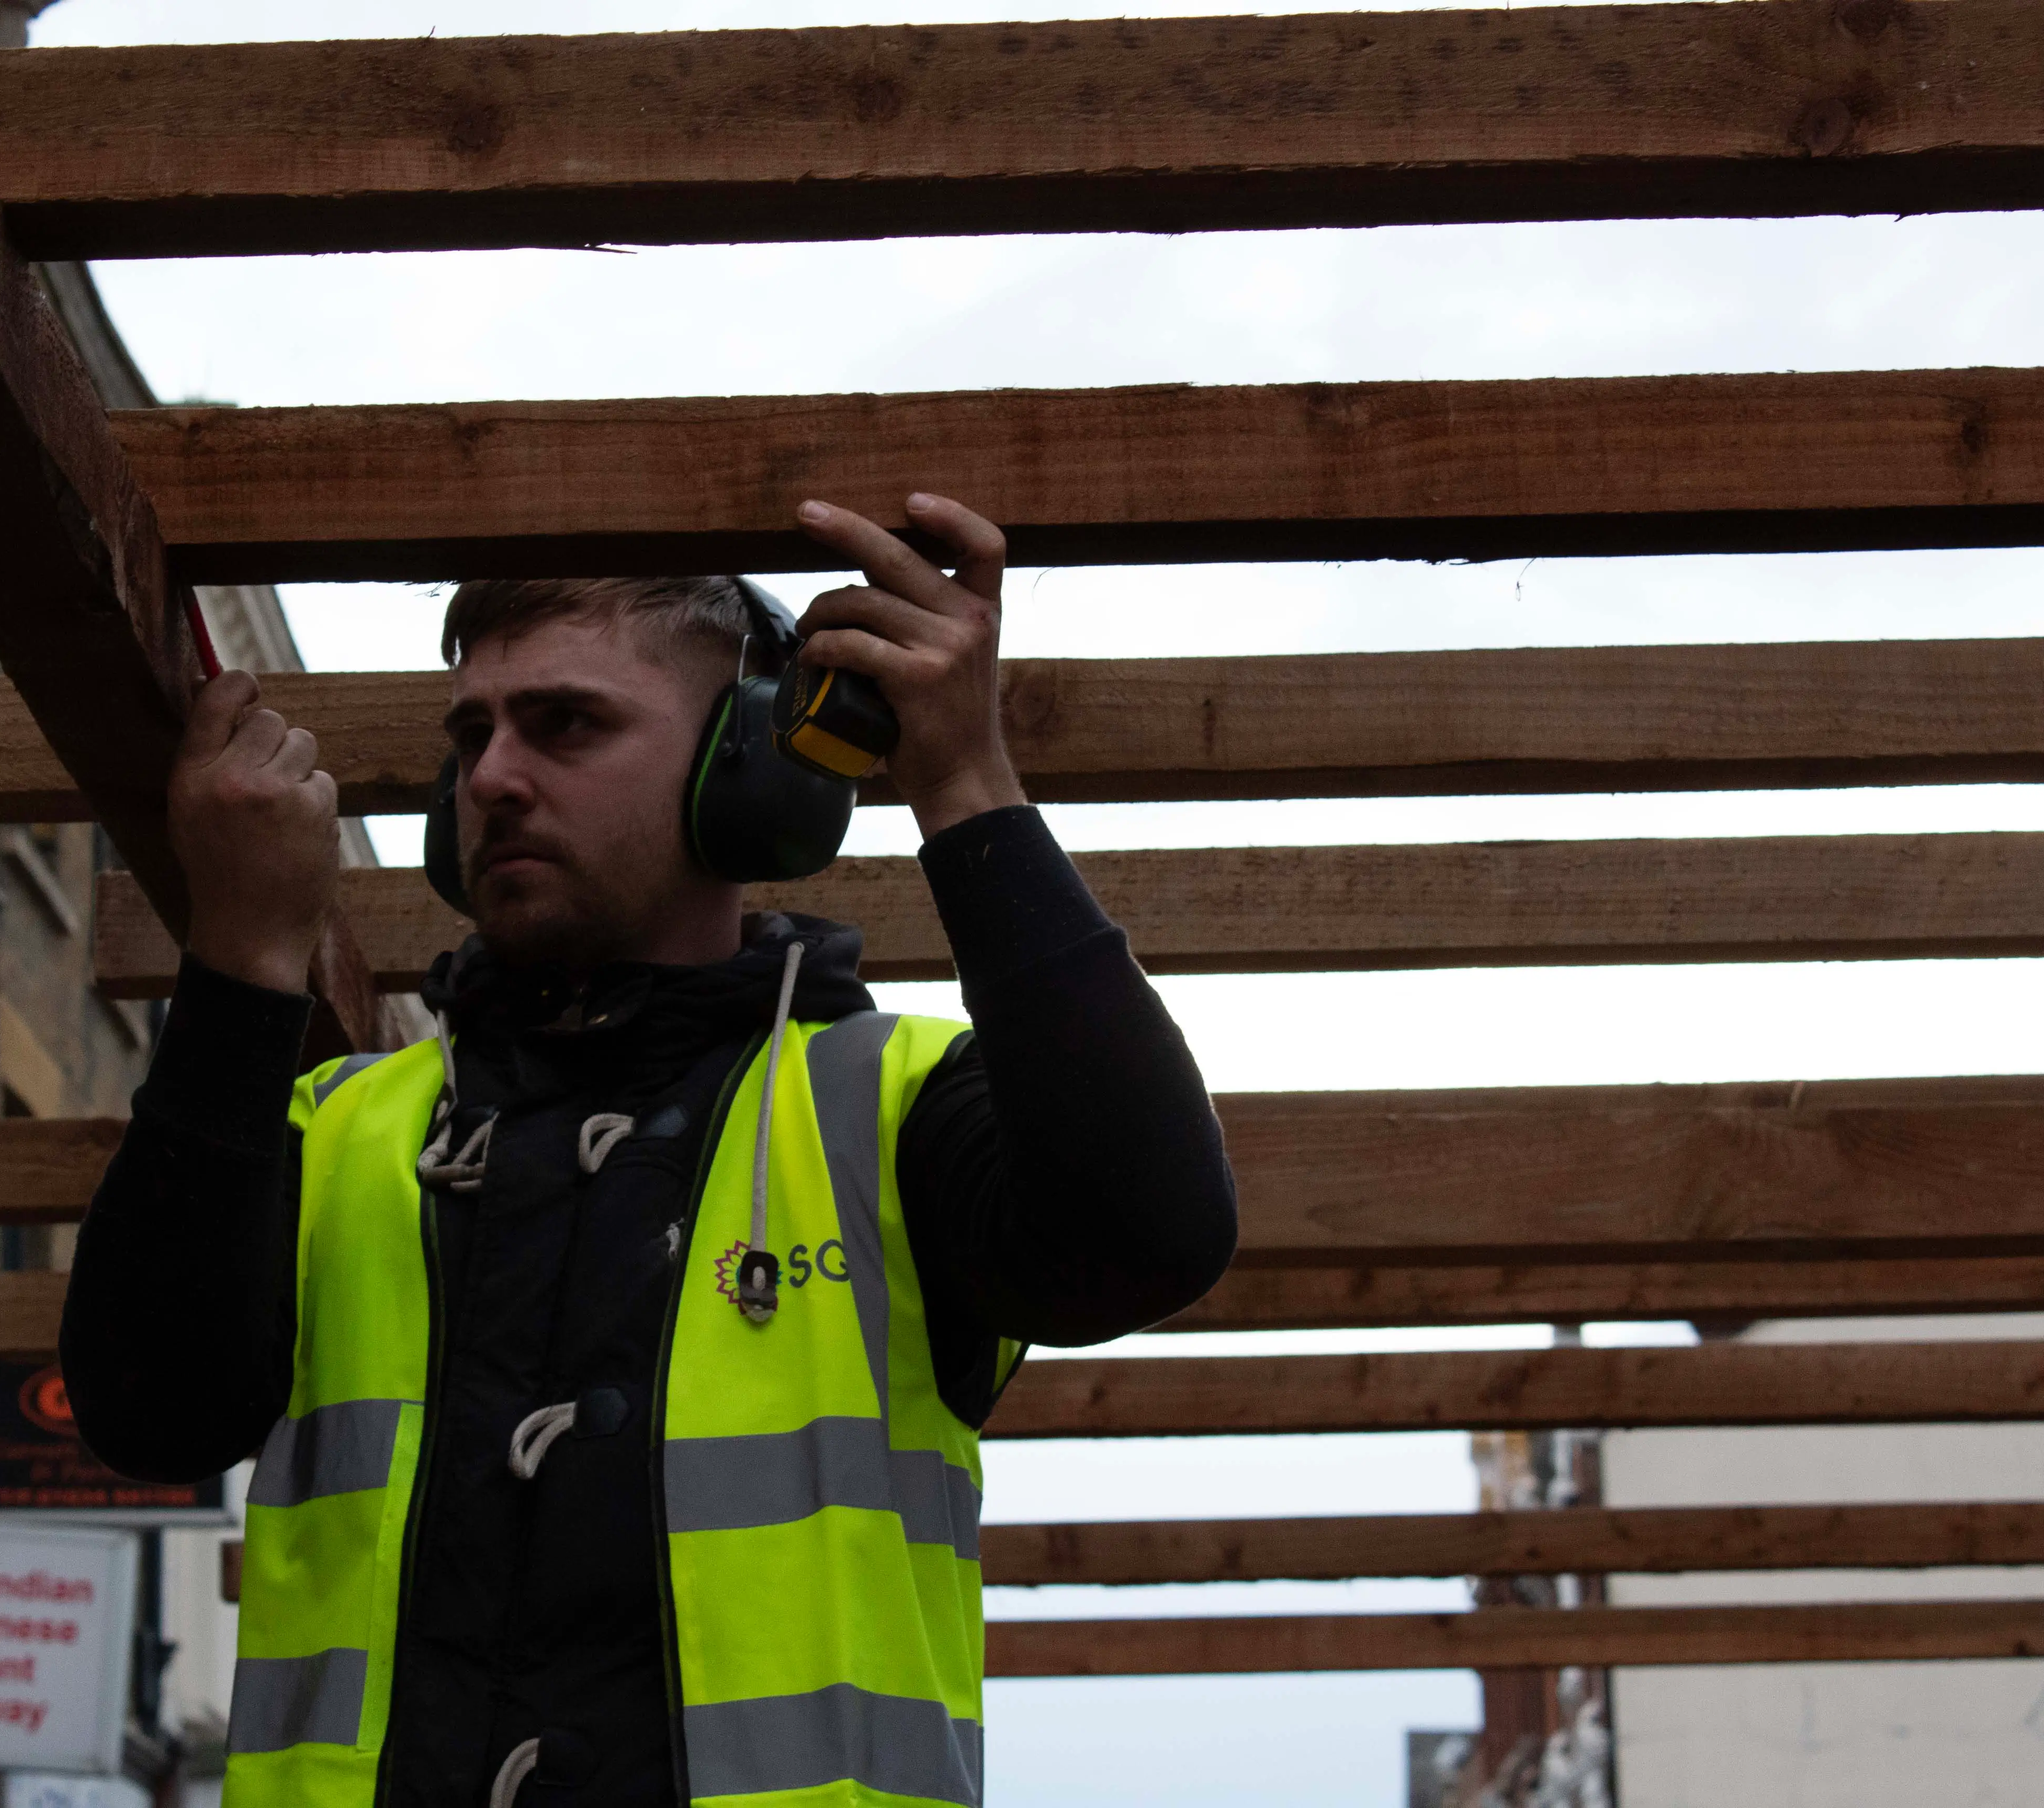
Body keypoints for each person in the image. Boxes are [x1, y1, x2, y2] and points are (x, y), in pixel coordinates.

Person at [62, 493, 1237, 1808]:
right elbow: (146, 1410)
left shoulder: (891, 1110)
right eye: (473, 735)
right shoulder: (335, 1129)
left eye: (565, 724)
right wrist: (241, 962)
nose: (491, 778)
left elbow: (1151, 1236)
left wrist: (966, 782)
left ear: (750, 770)